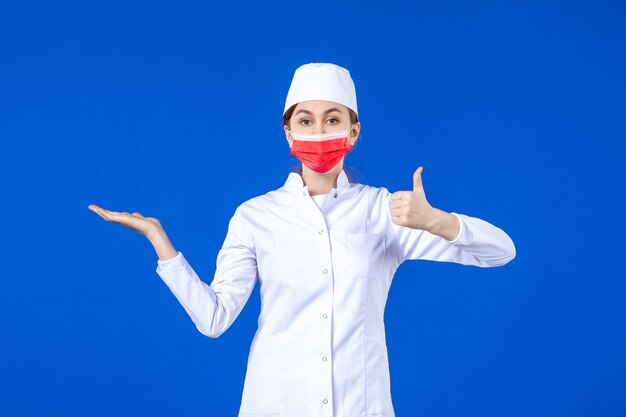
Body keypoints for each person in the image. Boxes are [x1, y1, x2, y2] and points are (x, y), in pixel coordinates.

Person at [88, 62, 516, 417]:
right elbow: (214, 319)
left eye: (333, 120)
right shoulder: (256, 216)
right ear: (289, 133)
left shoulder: (384, 212)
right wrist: (160, 241)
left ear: (353, 132)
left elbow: (501, 252)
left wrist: (439, 222)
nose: (319, 132)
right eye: (305, 121)